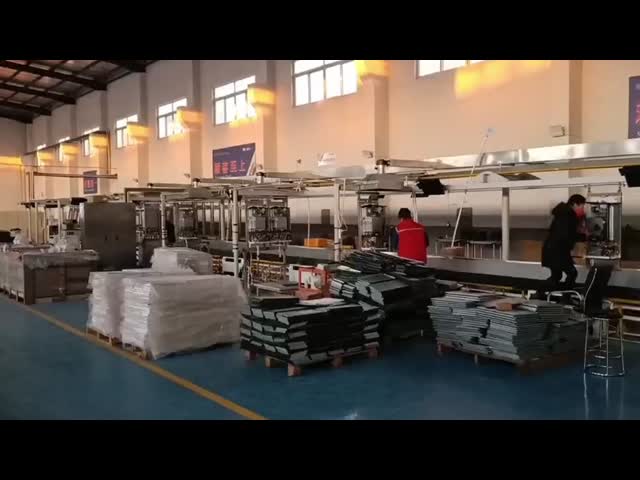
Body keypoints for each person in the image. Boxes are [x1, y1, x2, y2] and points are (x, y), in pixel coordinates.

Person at [540, 194, 587, 294]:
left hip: (552, 249)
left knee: (556, 276)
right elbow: (567, 234)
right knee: (572, 273)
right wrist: (585, 237)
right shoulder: (568, 215)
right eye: (582, 206)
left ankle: (541, 293)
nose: (582, 209)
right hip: (557, 251)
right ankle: (566, 296)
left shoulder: (562, 213)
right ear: (575, 204)